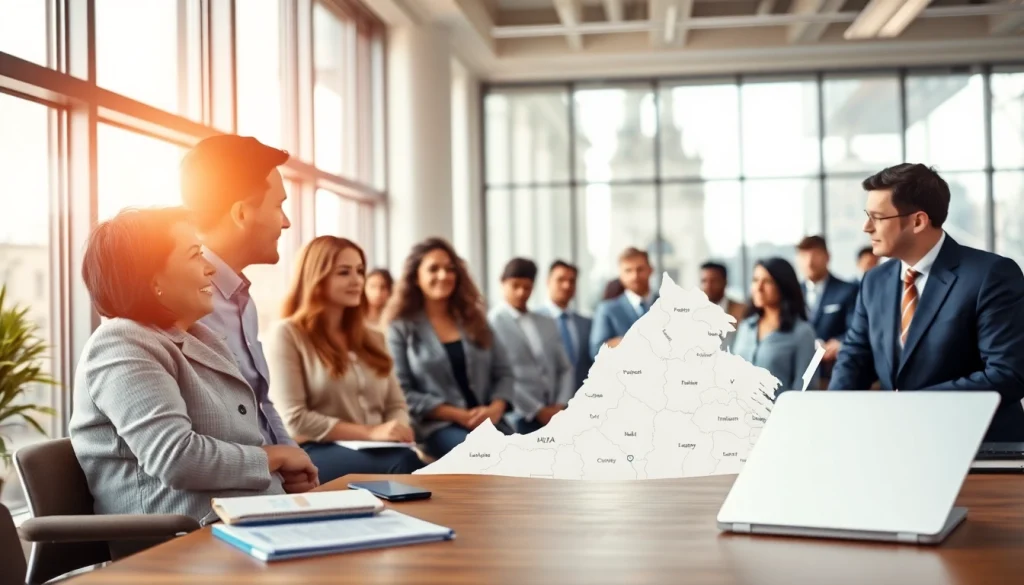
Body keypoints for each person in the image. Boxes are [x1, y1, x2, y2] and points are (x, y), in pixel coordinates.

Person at [69, 208, 318, 559]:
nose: (211, 267)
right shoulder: (121, 343)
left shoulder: (201, 338)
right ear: (151, 278)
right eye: (194, 254)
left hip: (241, 529)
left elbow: (235, 444)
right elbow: (176, 457)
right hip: (177, 545)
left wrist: (280, 480)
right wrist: (273, 458)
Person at [829, 163, 1024, 442]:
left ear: (918, 221)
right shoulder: (874, 281)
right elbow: (854, 359)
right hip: (897, 444)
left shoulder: (990, 275)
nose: (866, 227)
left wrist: (911, 404)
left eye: (877, 217)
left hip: (976, 449)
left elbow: (1008, 374)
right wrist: (829, 418)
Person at [264, 237, 424, 482]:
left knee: (417, 463)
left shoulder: (374, 338)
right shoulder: (287, 334)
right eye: (344, 272)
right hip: (315, 451)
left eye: (360, 271)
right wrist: (371, 433)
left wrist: (398, 429)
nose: (357, 280)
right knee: (405, 465)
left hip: (382, 449)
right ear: (316, 277)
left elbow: (396, 404)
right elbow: (295, 419)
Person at [179, 134, 297, 448]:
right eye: (278, 206)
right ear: (242, 214)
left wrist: (295, 459)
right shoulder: (184, 305)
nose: (286, 223)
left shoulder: (241, 299)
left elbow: (261, 404)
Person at [383, 238, 516, 458]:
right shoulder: (400, 328)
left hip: (490, 421)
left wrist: (495, 409)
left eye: (449, 269)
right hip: (438, 427)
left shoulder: (475, 320)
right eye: (433, 269)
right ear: (416, 277)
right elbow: (402, 392)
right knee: (483, 456)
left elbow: (504, 373)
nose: (443, 275)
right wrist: (459, 415)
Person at [488, 258, 574, 434]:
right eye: (515, 286)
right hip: (519, 414)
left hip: (555, 412)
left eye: (527, 287)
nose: (521, 293)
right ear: (502, 284)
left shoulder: (546, 321)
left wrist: (559, 405)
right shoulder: (491, 324)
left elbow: (565, 367)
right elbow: (501, 376)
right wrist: (537, 410)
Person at [731, 257, 819, 395]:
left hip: (780, 415)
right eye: (755, 280)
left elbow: (804, 390)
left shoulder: (802, 333)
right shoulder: (746, 327)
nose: (759, 288)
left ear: (783, 286)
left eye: (767, 281)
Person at [795, 235, 858, 385]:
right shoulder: (793, 293)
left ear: (827, 257)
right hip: (800, 372)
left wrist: (840, 343)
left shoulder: (848, 291)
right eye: (804, 256)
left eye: (815, 255)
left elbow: (856, 328)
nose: (809, 262)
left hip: (834, 371)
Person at [536, 259, 593, 394]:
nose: (566, 285)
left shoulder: (587, 323)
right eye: (560, 280)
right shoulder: (534, 321)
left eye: (572, 281)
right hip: (545, 402)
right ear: (548, 281)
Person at [590, 247, 657, 358]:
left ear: (650, 270)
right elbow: (596, 352)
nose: (635, 276)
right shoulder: (607, 309)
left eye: (640, 269)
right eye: (628, 270)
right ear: (620, 275)